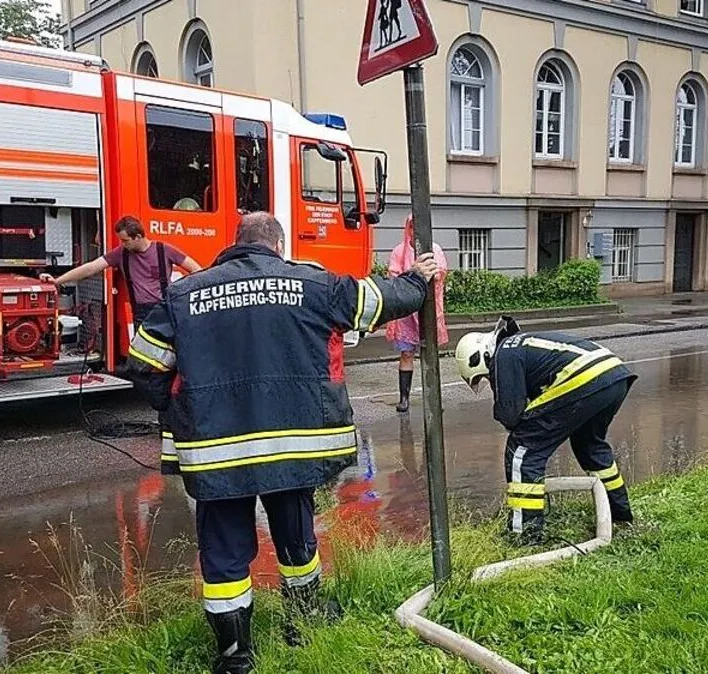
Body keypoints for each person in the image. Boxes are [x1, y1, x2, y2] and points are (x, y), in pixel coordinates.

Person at [125, 212, 437, 674]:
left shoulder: (183, 294)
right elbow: (378, 301)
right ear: (279, 246)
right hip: (294, 448)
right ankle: (304, 623)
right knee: (296, 535)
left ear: (235, 243)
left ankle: (235, 658)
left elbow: (144, 364)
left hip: (216, 453)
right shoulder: (312, 284)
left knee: (224, 553)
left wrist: (179, 409)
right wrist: (418, 279)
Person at [454, 317, 637, 542]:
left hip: (585, 376)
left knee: (522, 448)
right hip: (613, 376)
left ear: (481, 357)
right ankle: (620, 515)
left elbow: (511, 414)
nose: (488, 380)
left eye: (484, 376)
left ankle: (525, 534)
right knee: (589, 445)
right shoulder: (518, 345)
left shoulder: (502, 355)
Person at [39, 215, 202, 325]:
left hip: (165, 310)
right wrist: (57, 280)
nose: (122, 244)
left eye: (125, 240)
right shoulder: (121, 253)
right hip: (141, 313)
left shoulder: (164, 250)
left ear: (138, 237)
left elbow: (196, 270)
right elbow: (91, 268)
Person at [384, 214, 448, 413]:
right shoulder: (399, 251)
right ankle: (404, 398)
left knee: (430, 354)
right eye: (411, 227)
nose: (414, 230)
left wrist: (434, 274)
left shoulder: (434, 249)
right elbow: (393, 277)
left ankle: (434, 398)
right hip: (406, 311)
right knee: (406, 353)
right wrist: (412, 272)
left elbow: (442, 271)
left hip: (427, 308)